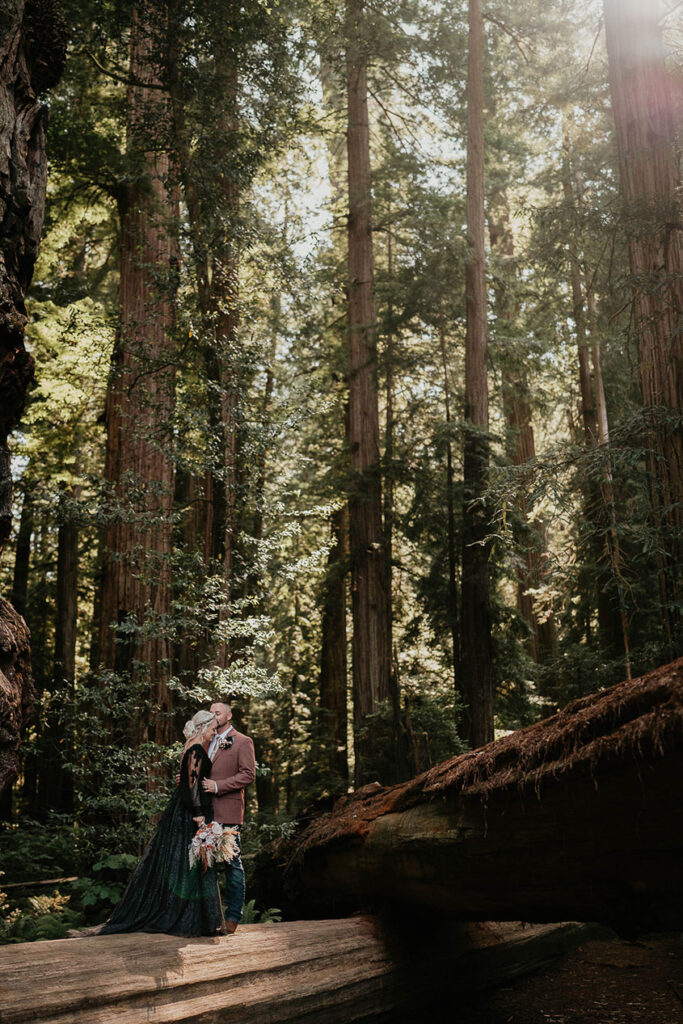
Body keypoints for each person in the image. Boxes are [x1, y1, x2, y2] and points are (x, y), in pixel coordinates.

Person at [101, 709, 226, 937]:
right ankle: (185, 917)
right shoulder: (197, 749)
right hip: (191, 812)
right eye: (212, 728)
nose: (214, 732)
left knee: (186, 859)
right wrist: (198, 813)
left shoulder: (190, 746)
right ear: (202, 728)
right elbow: (191, 784)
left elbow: (188, 780)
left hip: (183, 809)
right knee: (189, 860)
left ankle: (191, 916)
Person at [202, 702, 256, 934]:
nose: (215, 716)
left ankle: (234, 916)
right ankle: (212, 917)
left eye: (218, 712)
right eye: (211, 712)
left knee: (232, 864)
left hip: (229, 812)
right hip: (206, 813)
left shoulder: (243, 741)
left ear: (229, 715)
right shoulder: (206, 741)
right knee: (206, 864)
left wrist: (218, 786)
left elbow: (248, 774)